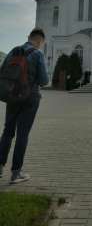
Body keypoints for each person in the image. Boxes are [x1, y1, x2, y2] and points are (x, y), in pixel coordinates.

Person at [0, 28, 49, 184]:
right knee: (22, 134)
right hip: (30, 98)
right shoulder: (38, 53)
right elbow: (44, 80)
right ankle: (16, 173)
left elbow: (2, 72)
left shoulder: (14, 50)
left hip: (12, 95)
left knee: (7, 132)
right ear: (41, 41)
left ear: (28, 37)